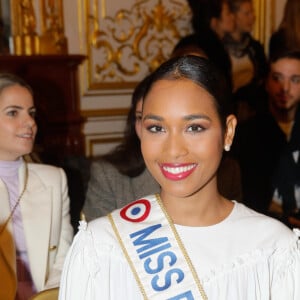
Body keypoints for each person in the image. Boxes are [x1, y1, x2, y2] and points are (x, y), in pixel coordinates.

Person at [59, 55, 300, 300]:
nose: (173, 150)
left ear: (228, 132)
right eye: (157, 128)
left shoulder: (273, 249)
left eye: (194, 128)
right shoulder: (103, 246)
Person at [0, 73, 73, 300]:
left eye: (31, 113)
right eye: (13, 113)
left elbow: (64, 259)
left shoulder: (54, 180)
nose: (30, 122)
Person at [232, 50, 300, 228]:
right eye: (277, 78)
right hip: (262, 228)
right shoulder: (247, 134)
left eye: (295, 80)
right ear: (267, 83)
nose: (284, 88)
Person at [83, 75, 161, 221]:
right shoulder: (109, 175)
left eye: (155, 121)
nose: (146, 128)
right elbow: (94, 240)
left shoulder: (210, 170)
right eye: (140, 117)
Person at [174, 0, 235, 89]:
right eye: (228, 13)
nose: (233, 17)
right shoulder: (215, 49)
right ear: (214, 21)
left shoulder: (187, 41)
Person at [224, 0, 268, 121]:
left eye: (252, 12)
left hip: (254, 113)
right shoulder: (219, 49)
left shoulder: (255, 48)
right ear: (233, 16)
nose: (253, 17)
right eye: (247, 13)